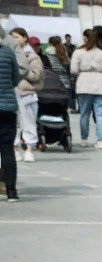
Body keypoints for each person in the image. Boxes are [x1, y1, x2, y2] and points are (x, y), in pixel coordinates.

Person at [71, 29, 102, 150]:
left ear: (85, 38)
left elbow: (73, 70)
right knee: (100, 115)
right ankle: (100, 140)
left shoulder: (78, 53)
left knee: (84, 113)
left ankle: (84, 139)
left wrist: (83, 71)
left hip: (83, 84)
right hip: (100, 85)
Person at [9, 29, 42, 162]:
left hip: (27, 93)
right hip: (12, 92)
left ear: (24, 38)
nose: (14, 40)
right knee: (14, 123)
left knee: (29, 122)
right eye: (12, 37)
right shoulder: (9, 54)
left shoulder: (32, 56)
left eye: (17, 37)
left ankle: (29, 149)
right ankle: (14, 148)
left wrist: (21, 71)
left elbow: (36, 75)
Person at [1, 38, 21, 200]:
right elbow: (16, 78)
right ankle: (11, 190)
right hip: (8, 108)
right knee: (7, 150)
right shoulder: (8, 53)